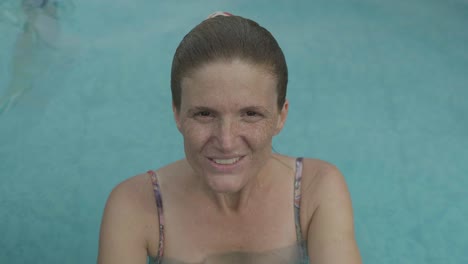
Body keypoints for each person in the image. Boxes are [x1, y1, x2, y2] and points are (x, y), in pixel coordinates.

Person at [98, 12, 362, 264]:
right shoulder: (135, 206)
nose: (226, 141)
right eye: (204, 114)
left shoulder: (314, 190)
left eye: (250, 114)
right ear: (177, 114)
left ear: (281, 116)